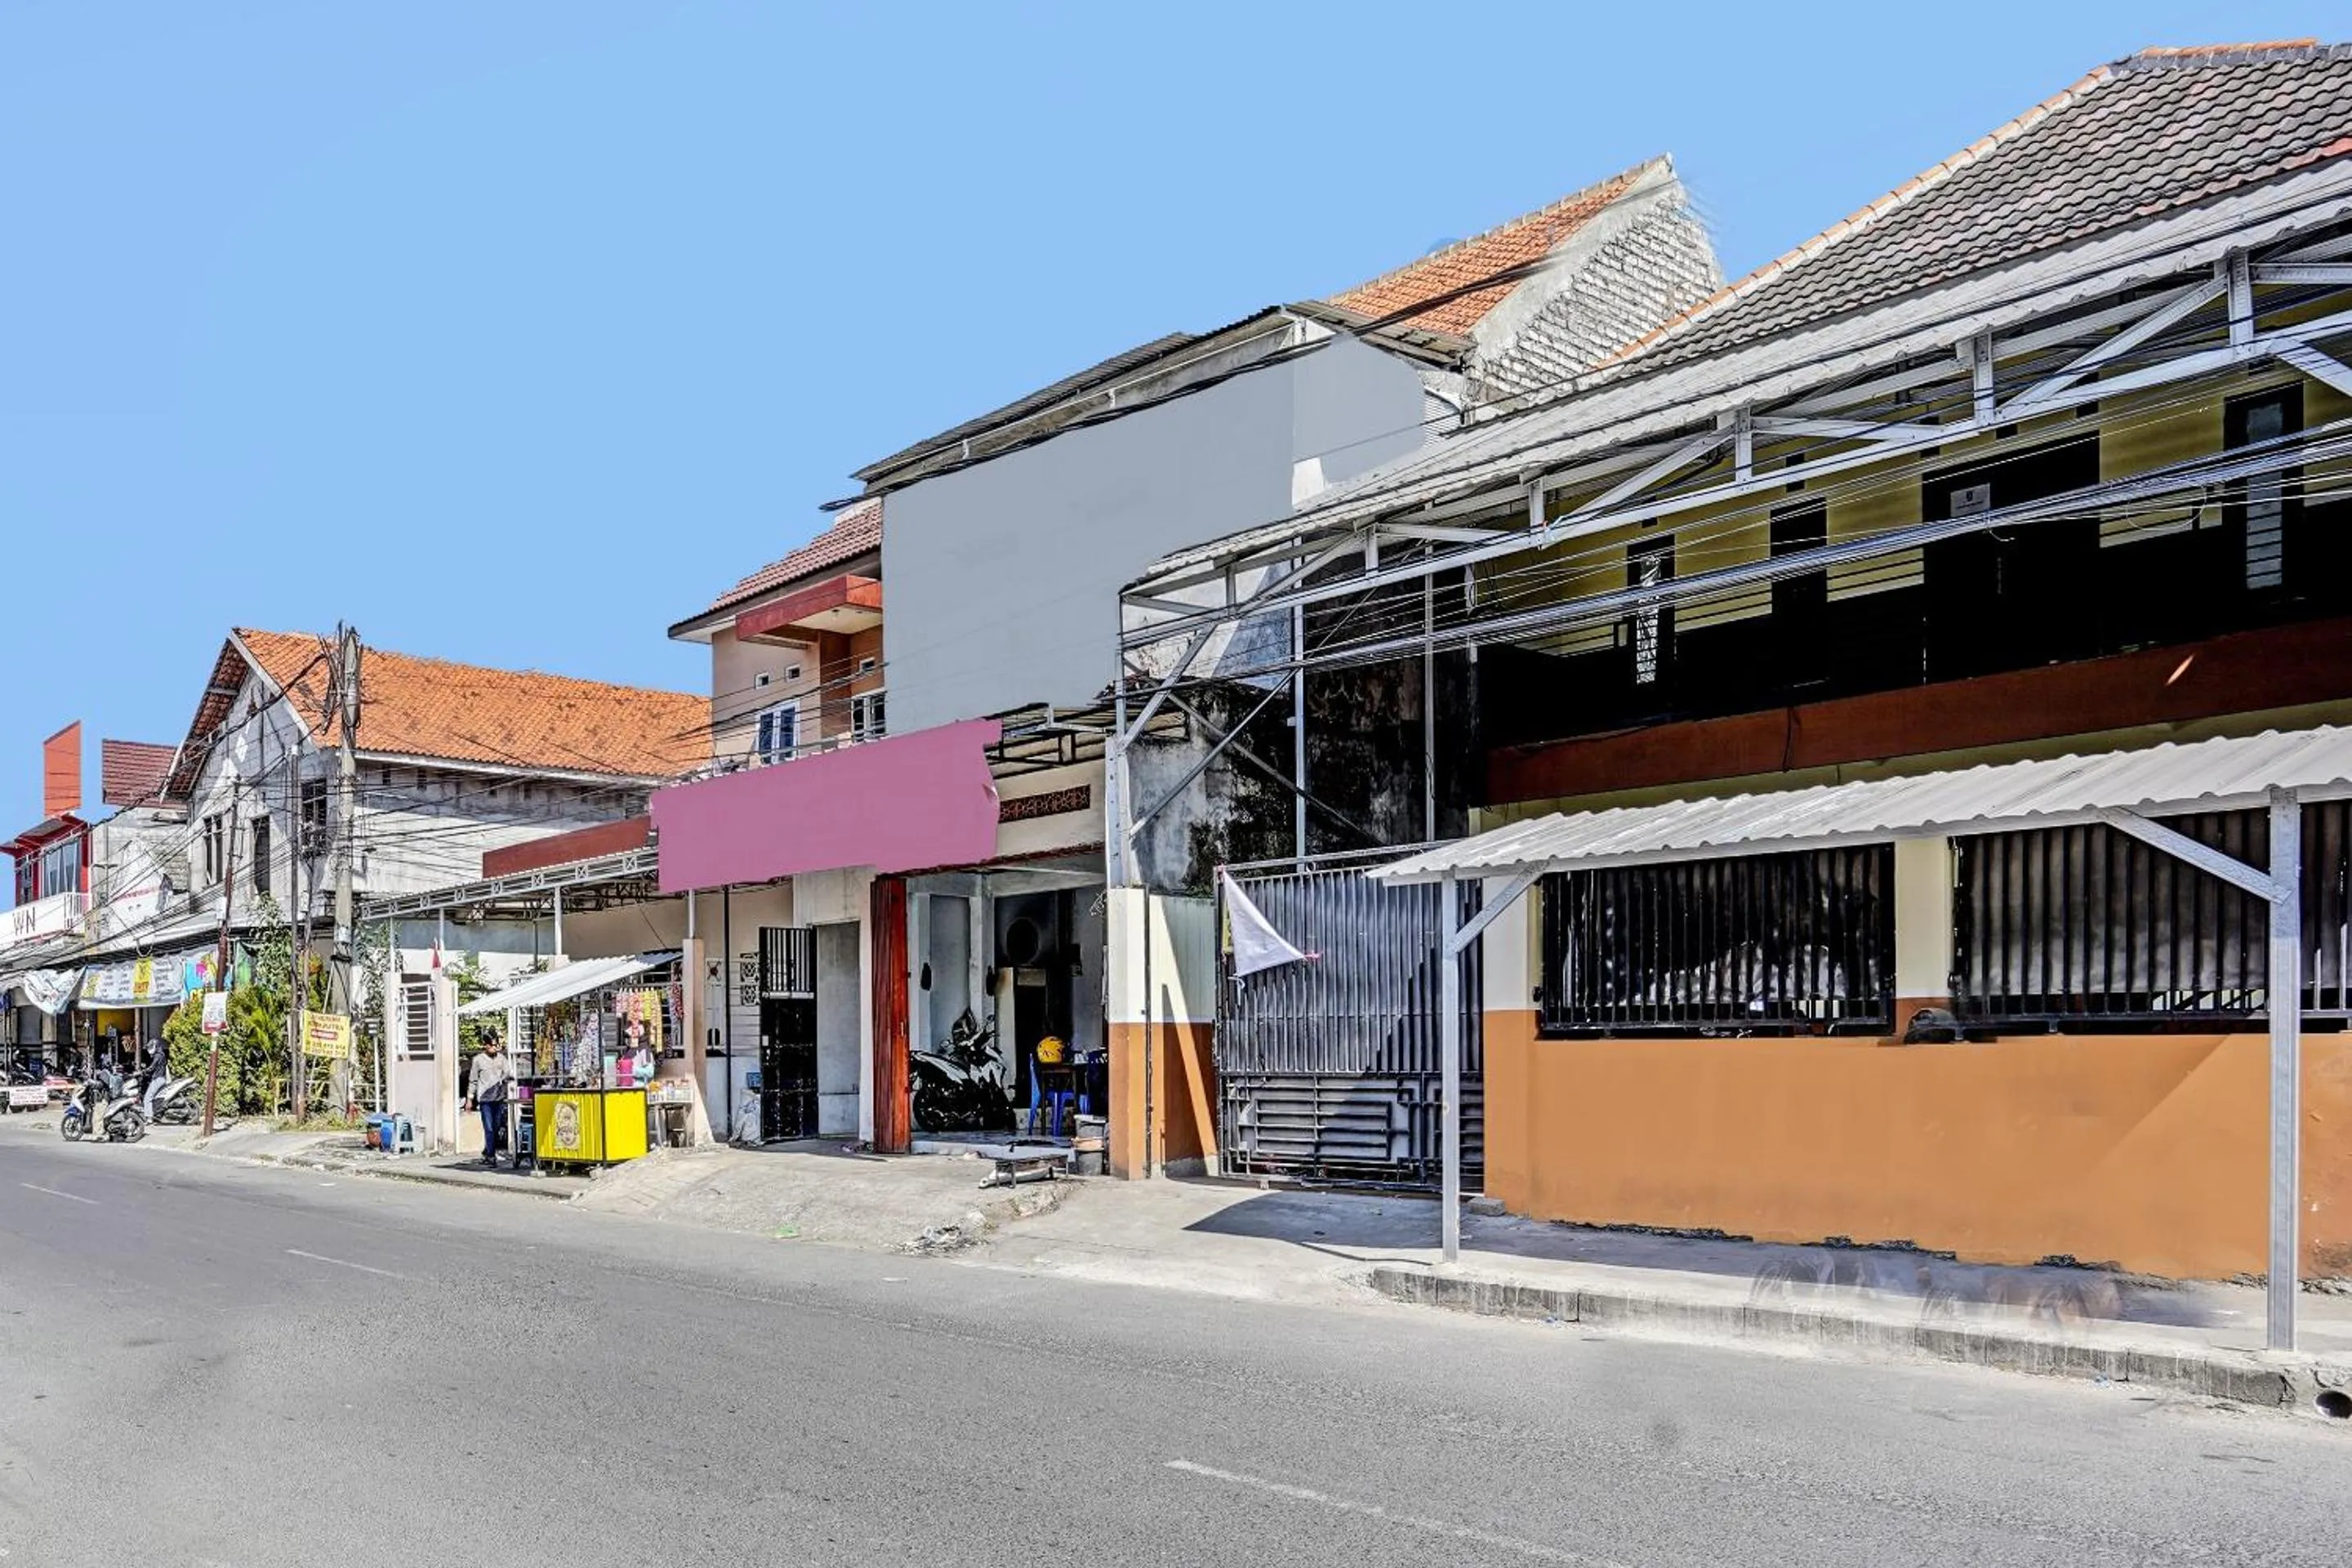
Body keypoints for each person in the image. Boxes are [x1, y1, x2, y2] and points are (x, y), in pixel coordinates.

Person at [467, 1034, 515, 1167]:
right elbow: (473, 1080)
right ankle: (491, 1156)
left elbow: (508, 1073)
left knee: (496, 1126)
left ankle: (487, 1150)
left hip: (499, 1098)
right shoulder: (478, 1060)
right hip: (485, 1099)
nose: (496, 1048)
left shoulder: (502, 1059)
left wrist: (506, 1078)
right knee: (488, 1127)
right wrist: (470, 1099)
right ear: (486, 1046)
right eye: (494, 1045)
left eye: (497, 1045)